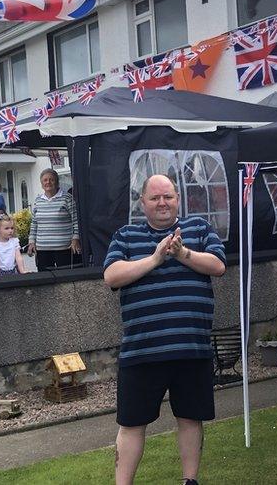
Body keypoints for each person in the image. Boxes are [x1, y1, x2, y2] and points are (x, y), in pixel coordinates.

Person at [103, 174, 226, 485]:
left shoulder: (198, 229)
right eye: (155, 197)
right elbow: (112, 276)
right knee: (131, 424)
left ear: (178, 200)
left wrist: (183, 253)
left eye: (168, 197)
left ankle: (189, 481)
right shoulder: (125, 236)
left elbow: (218, 265)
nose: (162, 203)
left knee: (190, 418)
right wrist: (156, 258)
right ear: (142, 202)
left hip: (191, 348)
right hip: (141, 351)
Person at [27, 169, 80, 270]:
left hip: (64, 248)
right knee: (45, 280)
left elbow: (76, 221)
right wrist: (31, 241)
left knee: (66, 279)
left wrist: (75, 239)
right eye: (45, 180)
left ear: (57, 181)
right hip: (42, 249)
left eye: (51, 179)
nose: (48, 182)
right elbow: (34, 223)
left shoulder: (67, 198)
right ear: (41, 183)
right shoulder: (38, 200)